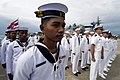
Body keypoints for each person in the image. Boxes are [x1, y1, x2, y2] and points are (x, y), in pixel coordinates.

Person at [13, 3, 68, 80]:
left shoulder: (63, 51)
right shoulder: (28, 58)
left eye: (63, 26)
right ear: (42, 28)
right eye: (55, 25)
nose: (61, 30)